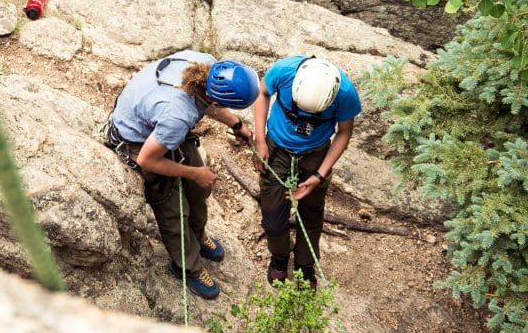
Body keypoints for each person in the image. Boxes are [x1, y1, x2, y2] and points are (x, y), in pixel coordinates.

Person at [105, 50, 260, 300]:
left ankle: (198, 237)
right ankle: (187, 266)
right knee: (173, 210)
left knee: (199, 192)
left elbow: (206, 101)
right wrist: (195, 173)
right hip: (138, 141)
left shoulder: (206, 65)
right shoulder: (177, 115)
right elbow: (147, 159)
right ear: (217, 99)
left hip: (163, 128)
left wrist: (236, 125)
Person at [252, 55, 361, 289]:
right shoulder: (284, 70)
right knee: (272, 215)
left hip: (316, 154)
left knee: (311, 213)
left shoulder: (345, 94)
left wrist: (320, 174)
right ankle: (279, 258)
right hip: (276, 149)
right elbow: (262, 93)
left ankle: (304, 264)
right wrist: (260, 140)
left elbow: (344, 133)